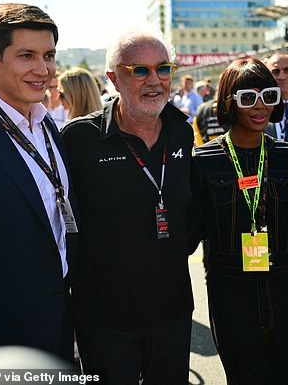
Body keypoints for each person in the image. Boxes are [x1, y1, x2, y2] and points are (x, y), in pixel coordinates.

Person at [61, 27, 194, 384]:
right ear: (113, 78)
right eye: (139, 70)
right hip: (105, 320)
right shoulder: (78, 139)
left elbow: (190, 213)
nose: (155, 80)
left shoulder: (182, 131)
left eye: (163, 68)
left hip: (172, 312)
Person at [0, 3, 77, 361]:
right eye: (27, 55)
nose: (43, 70)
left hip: (58, 330)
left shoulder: (48, 126)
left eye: (49, 56)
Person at [190, 58, 288, 384]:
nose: (260, 107)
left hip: (283, 283)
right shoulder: (203, 162)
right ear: (229, 103)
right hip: (230, 290)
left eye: (269, 96)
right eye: (247, 98)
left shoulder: (287, 156)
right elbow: (188, 236)